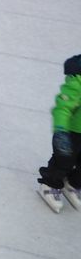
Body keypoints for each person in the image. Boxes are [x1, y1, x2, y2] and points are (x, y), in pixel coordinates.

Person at [38, 54, 81, 212]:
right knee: (64, 160)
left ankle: (73, 183)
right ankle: (50, 183)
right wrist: (61, 130)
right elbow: (62, 108)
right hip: (73, 132)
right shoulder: (78, 81)